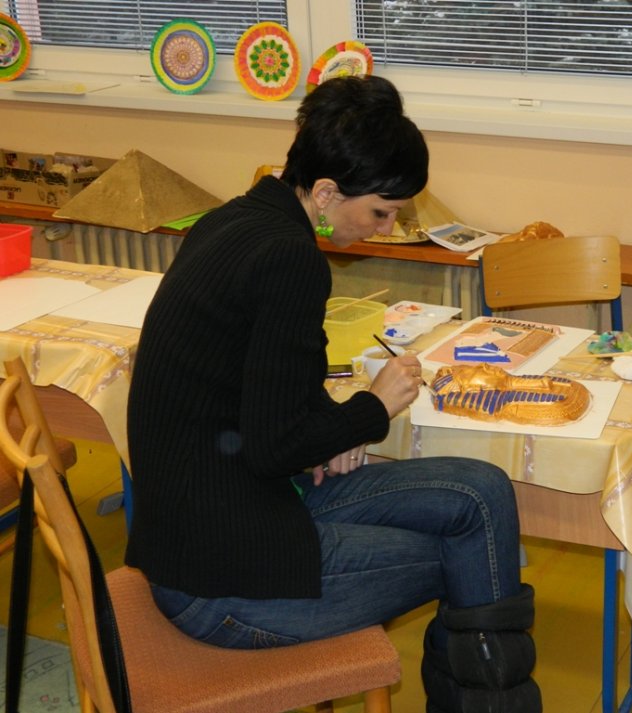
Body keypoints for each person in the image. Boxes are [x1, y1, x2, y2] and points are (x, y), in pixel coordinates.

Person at [124, 75, 541, 712]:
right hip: (224, 581)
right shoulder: (290, 258)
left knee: (481, 491)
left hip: (222, 518)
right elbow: (275, 445)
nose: (386, 227)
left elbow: (257, 380)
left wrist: (331, 427)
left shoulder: (231, 221)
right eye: (380, 212)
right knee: (471, 556)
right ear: (325, 191)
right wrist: (372, 409)